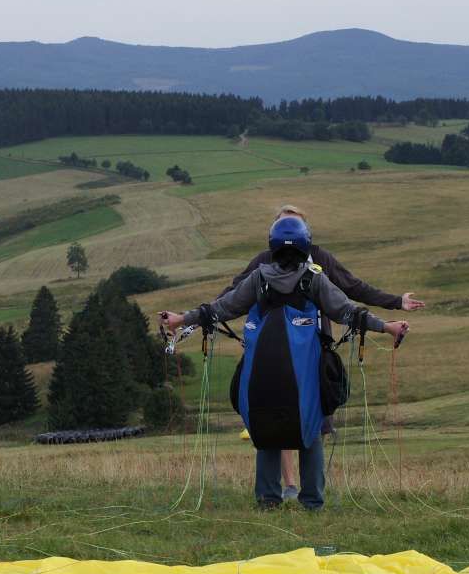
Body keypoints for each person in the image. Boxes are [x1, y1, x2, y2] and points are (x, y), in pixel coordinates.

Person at [163, 217, 408, 510]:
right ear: (306, 246)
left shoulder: (258, 278)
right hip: (305, 373)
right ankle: (312, 502)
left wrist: (181, 319)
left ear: (273, 247)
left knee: (265, 427)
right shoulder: (314, 279)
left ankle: (268, 499)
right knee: (310, 428)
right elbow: (348, 312)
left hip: (262, 371)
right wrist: (387, 327)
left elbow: (221, 308)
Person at [219, 205, 424, 500]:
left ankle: (308, 494)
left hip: (313, 352)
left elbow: (352, 288)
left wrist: (395, 302)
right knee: (271, 420)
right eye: (283, 226)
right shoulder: (262, 263)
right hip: (269, 354)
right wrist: (198, 318)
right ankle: (288, 487)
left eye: (294, 226)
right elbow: (232, 296)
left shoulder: (320, 260)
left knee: (312, 421)